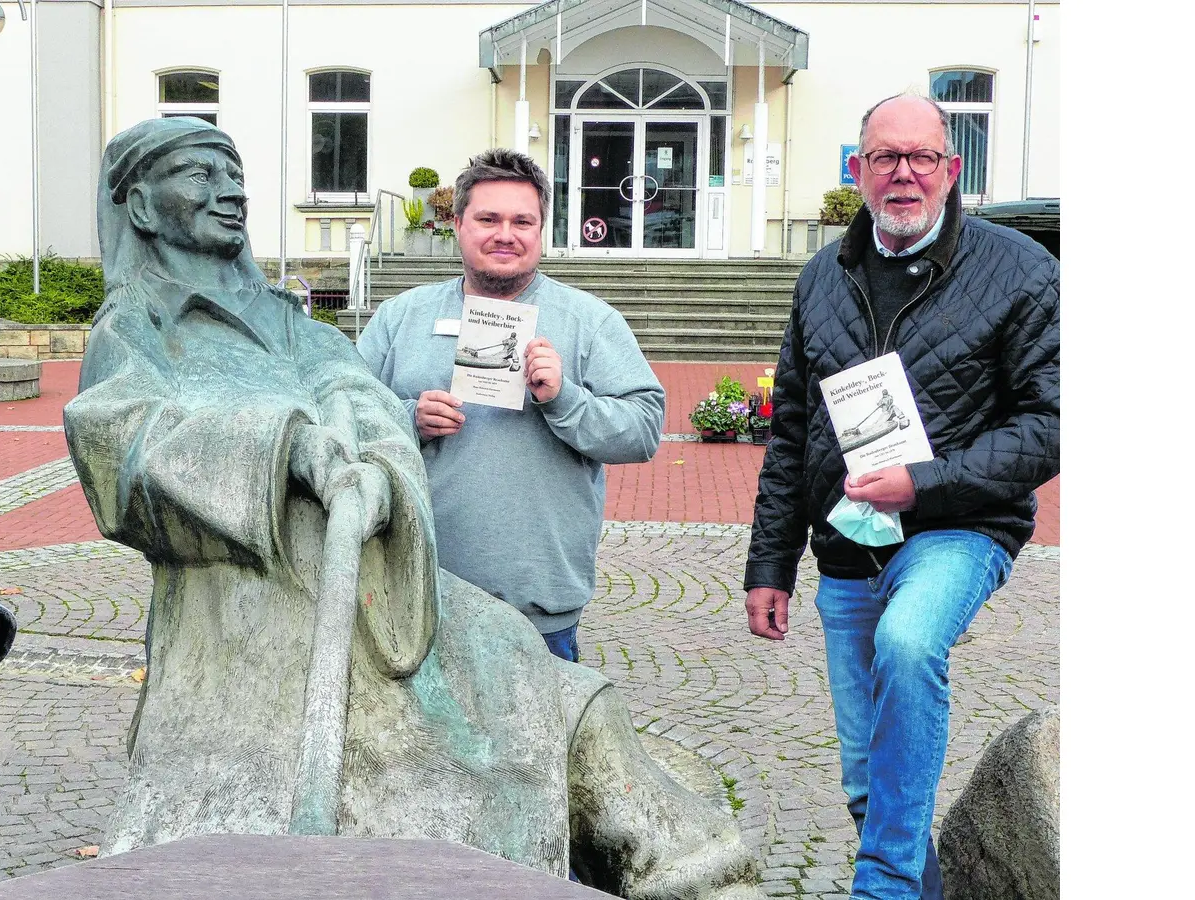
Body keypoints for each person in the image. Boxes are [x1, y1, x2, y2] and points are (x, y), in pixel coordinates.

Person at [63, 117, 762, 898]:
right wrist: (289, 443)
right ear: (144, 208)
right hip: (256, 617)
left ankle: (676, 866)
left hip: (402, 595)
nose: (232, 190)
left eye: (235, 171)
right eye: (201, 173)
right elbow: (119, 441)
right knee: (508, 703)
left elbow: (350, 389)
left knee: (543, 691)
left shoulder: (291, 320)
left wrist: (376, 432)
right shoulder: (134, 330)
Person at [743, 94, 1060, 900]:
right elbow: (792, 431)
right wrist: (769, 564)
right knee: (865, 780)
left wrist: (924, 482)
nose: (905, 174)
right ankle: (917, 882)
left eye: (922, 158)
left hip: (959, 529)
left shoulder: (1020, 270)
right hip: (848, 543)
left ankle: (881, 888)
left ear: (953, 171)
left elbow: (1051, 422)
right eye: (886, 158)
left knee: (912, 643)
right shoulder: (822, 275)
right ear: (858, 172)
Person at [357, 148, 666, 663]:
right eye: (488, 219)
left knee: (540, 744)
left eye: (523, 221)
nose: (506, 234)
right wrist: (407, 419)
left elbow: (643, 431)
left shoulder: (590, 322)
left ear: (542, 228)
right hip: (413, 595)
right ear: (457, 224)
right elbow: (341, 416)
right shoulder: (400, 318)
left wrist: (563, 400)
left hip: (538, 610)